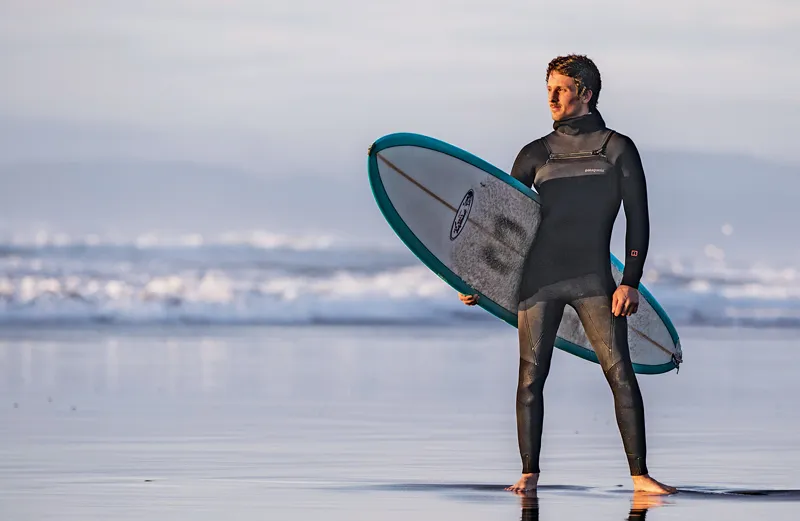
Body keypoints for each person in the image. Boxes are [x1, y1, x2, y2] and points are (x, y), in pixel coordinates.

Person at [458, 54, 676, 495]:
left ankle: (640, 477)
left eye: (561, 89)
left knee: (619, 373)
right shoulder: (534, 153)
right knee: (531, 377)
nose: (552, 98)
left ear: (586, 93)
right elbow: (504, 225)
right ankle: (528, 474)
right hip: (537, 281)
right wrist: (477, 277)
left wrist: (630, 280)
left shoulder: (616, 149)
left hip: (593, 278)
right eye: (549, 90)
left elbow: (638, 217)